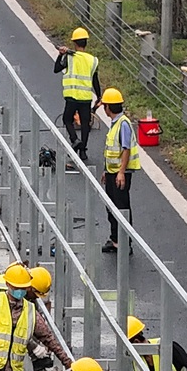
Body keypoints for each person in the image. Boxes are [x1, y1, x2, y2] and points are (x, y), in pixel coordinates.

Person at [100, 88, 139, 254]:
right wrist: (106, 171)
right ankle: (116, 239)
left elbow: (126, 149)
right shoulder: (116, 123)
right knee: (111, 207)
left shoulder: (123, 124)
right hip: (112, 172)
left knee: (121, 208)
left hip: (119, 174)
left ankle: (124, 243)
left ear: (108, 107)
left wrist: (121, 172)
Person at [53, 29, 99, 160]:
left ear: (74, 43)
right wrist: (99, 97)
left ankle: (74, 139)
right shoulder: (93, 60)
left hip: (72, 96)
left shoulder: (70, 57)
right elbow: (95, 80)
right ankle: (83, 151)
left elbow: (56, 69)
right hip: (86, 97)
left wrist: (60, 54)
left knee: (67, 119)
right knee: (85, 124)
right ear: (86, 43)